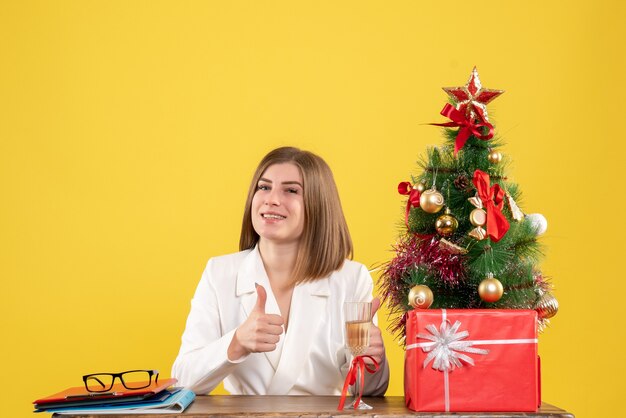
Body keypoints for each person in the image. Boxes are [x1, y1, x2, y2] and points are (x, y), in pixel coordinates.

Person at [171, 146, 390, 395]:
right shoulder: (219, 273)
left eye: (291, 190)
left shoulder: (351, 278)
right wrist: (236, 343)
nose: (272, 199)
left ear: (319, 204)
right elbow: (182, 380)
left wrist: (373, 359)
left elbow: (369, 392)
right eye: (264, 187)